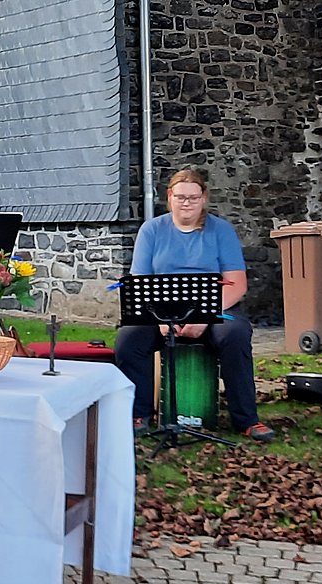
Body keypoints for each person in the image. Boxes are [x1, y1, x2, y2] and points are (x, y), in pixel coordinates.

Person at [113, 169, 277, 443]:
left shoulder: (221, 230)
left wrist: (206, 315)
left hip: (212, 309)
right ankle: (138, 414)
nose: (186, 203)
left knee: (236, 333)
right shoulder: (151, 230)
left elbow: (236, 284)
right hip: (160, 311)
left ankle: (247, 420)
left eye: (193, 197)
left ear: (203, 198)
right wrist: (159, 320)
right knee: (128, 340)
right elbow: (139, 283)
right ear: (170, 197)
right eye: (180, 197)